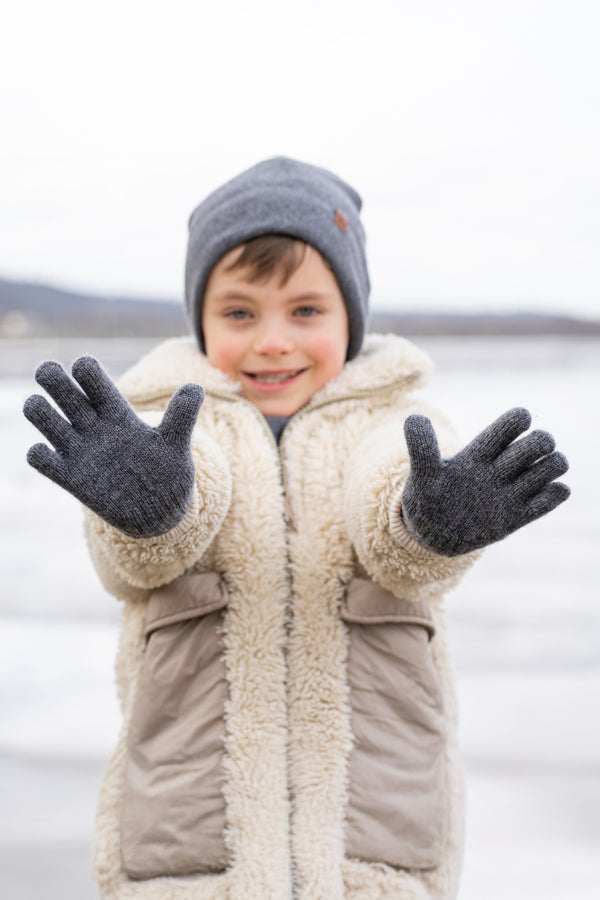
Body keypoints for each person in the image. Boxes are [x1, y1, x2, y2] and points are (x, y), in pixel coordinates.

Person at [23, 157, 570, 900]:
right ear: (201, 320)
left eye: (306, 311)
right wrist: (156, 510)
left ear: (352, 318)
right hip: (190, 842)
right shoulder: (170, 429)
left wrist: (427, 523)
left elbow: (388, 515)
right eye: (240, 313)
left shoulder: (392, 424)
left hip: (374, 838)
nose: (272, 341)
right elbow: (137, 560)